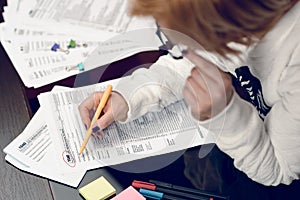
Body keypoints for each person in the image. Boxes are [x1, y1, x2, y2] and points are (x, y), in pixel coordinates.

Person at [79, 0, 300, 192]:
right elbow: (187, 61)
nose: (174, 48)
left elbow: (279, 170)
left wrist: (226, 115)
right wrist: (128, 97)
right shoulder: (233, 18)